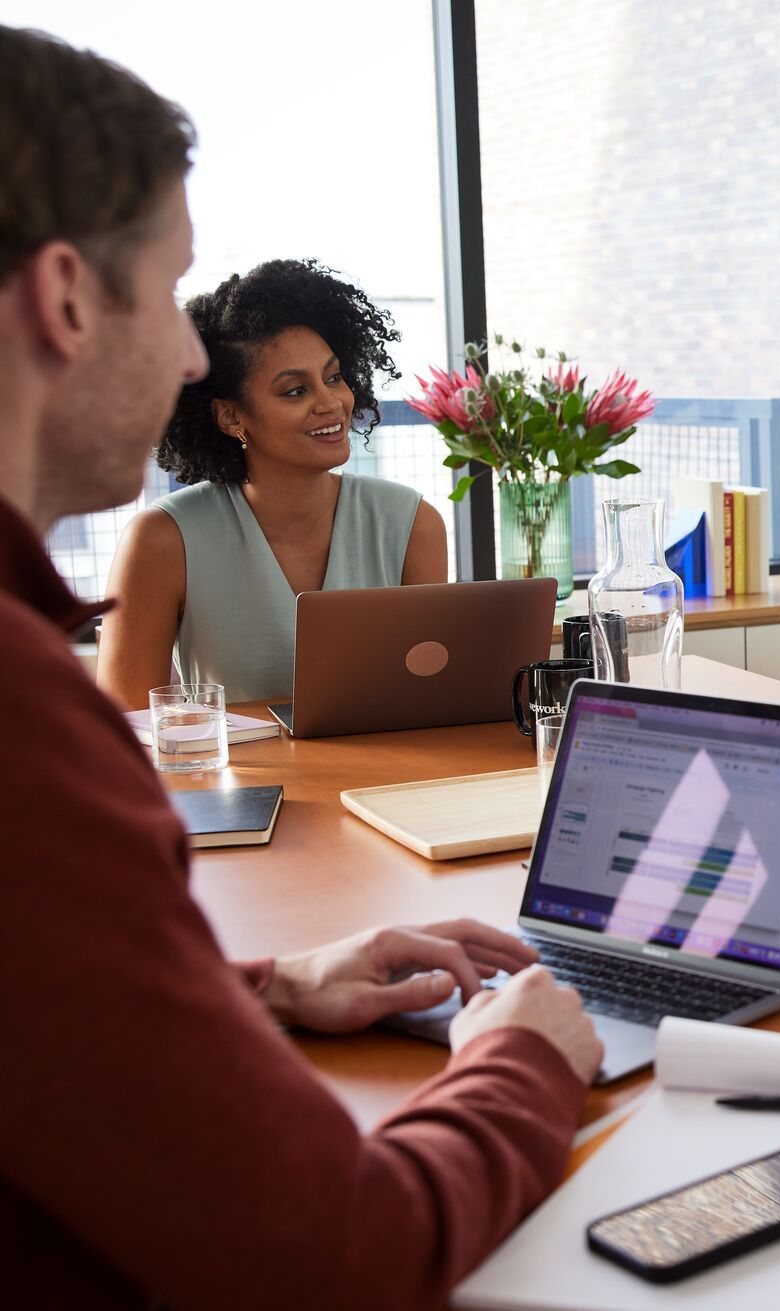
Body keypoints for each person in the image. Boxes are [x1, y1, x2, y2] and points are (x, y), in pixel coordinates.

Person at [0, 26, 602, 1309]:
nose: (177, 352)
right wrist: (525, 1064)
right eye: (167, 294)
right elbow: (337, 1256)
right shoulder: (24, 715)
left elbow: (51, 1010)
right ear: (61, 298)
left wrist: (271, 984)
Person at [96, 257, 447, 707]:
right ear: (232, 416)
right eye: (295, 391)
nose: (332, 403)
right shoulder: (162, 541)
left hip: (383, 779)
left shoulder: (411, 524)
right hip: (237, 779)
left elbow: (434, 700)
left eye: (334, 377)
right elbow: (129, 723)